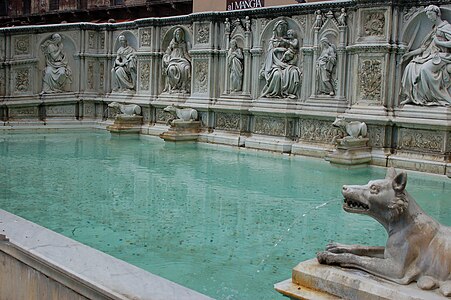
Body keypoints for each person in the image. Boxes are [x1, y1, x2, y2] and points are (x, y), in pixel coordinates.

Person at [401, 5, 451, 106]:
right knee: (410, 67)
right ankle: (411, 96)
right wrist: (409, 54)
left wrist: (439, 43)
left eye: (430, 14)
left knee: (424, 69)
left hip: (443, 56)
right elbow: (424, 48)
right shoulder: (434, 29)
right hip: (430, 56)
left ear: (438, 14)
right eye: (427, 15)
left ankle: (438, 98)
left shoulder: (446, 27)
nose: (429, 17)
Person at [260, 20, 302, 99]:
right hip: (274, 64)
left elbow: (292, 50)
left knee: (294, 72)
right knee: (277, 75)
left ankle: (287, 93)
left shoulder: (287, 40)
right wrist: (277, 50)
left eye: (283, 28)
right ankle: (274, 94)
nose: (281, 29)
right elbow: (269, 54)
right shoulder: (272, 41)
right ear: (276, 28)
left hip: (286, 63)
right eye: (280, 27)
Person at [163, 28, 191, 93]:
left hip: (182, 59)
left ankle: (183, 86)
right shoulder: (172, 43)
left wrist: (190, 60)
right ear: (175, 35)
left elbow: (185, 53)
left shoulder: (183, 43)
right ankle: (175, 86)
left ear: (182, 35)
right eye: (177, 34)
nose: (179, 36)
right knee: (171, 69)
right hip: (173, 60)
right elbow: (167, 52)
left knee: (187, 68)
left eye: (180, 35)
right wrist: (166, 58)